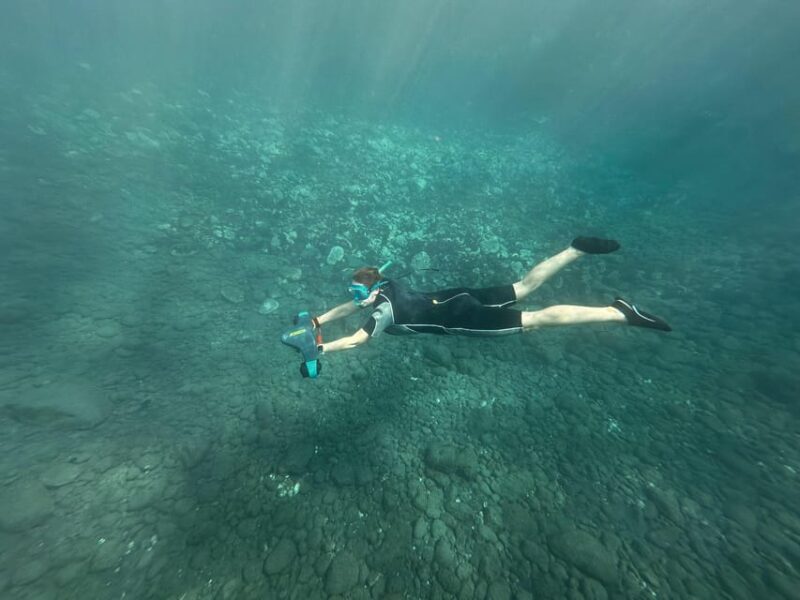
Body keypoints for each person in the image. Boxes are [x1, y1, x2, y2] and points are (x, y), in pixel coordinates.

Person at [311, 237, 670, 354]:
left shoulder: (382, 312)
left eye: (359, 291)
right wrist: (317, 321)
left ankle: (617, 313)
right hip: (456, 296)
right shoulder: (384, 286)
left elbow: (358, 340)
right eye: (352, 291)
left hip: (464, 318)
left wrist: (321, 348)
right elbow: (350, 308)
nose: (354, 297)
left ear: (373, 288)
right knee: (524, 286)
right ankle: (575, 249)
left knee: (534, 321)